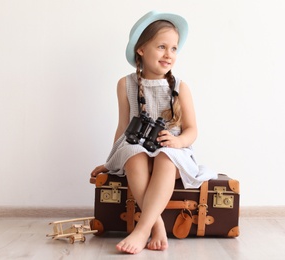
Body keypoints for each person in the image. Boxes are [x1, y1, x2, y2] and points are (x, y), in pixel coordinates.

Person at [91, 10, 217, 254]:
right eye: (161, 47)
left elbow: (192, 130)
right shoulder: (125, 84)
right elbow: (123, 127)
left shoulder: (180, 87)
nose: (168, 54)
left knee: (165, 157)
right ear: (141, 49)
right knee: (134, 153)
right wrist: (111, 162)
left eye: (173, 49)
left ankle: (141, 229)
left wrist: (178, 141)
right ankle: (155, 223)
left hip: (172, 152)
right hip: (138, 148)